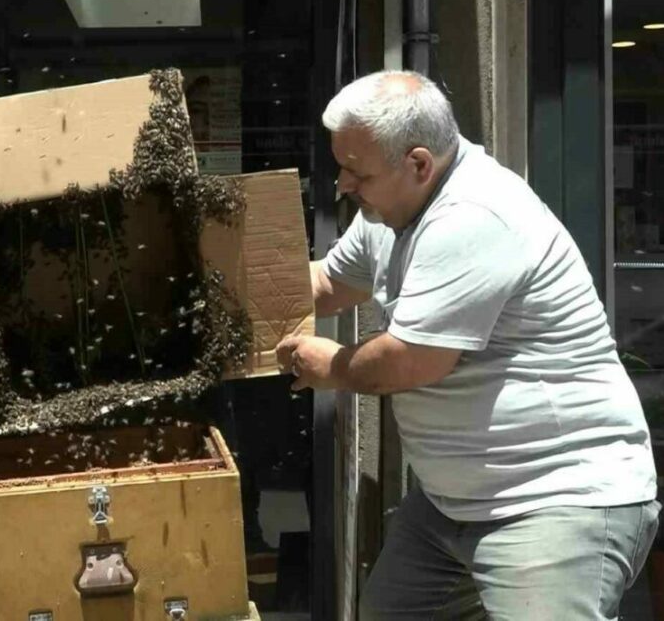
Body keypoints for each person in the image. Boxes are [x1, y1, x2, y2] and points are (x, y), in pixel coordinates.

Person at [275, 70, 659, 619]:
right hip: (449, 505)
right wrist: (231, 289)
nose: (342, 184)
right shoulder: (389, 213)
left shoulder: (475, 215)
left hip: (553, 500)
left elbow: (408, 362)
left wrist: (330, 365)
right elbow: (328, 286)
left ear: (418, 164)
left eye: (356, 171)